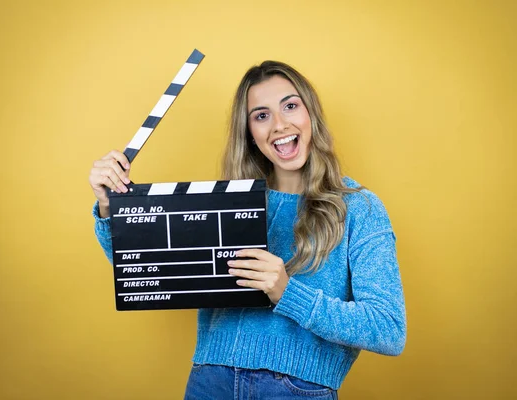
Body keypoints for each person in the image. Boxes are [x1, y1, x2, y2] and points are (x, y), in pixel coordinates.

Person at [89, 61, 406, 399]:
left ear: (311, 114)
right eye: (261, 115)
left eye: (290, 106)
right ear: (250, 134)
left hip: (296, 390)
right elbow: (146, 268)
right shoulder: (226, 203)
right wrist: (110, 207)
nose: (279, 125)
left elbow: (387, 327)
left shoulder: (360, 209)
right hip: (209, 382)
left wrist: (288, 293)